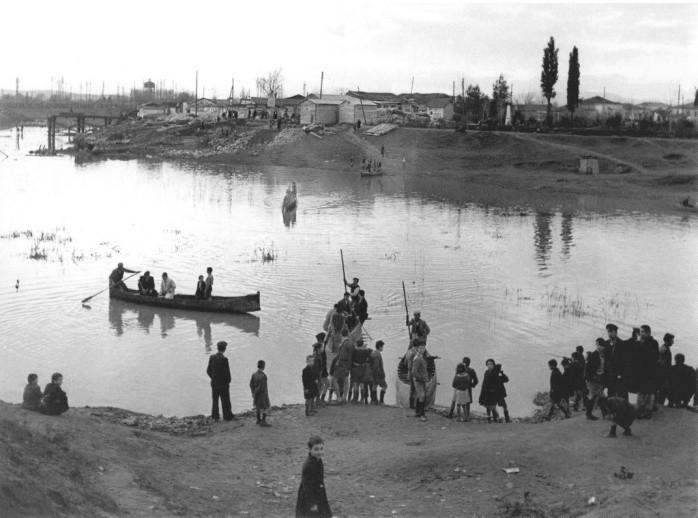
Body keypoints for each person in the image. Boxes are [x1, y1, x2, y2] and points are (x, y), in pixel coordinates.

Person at [295, 436, 332, 518]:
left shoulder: (318, 460)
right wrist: (312, 504)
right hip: (309, 498)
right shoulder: (309, 466)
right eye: (316, 449)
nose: (319, 452)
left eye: (321, 449)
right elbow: (307, 487)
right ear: (310, 449)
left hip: (319, 494)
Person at [207, 341, 234, 421]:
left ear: (217, 348)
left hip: (214, 383)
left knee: (215, 400)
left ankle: (215, 417)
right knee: (225, 400)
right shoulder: (224, 359)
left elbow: (208, 370)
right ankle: (227, 416)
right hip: (223, 384)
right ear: (224, 349)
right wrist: (228, 382)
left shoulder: (212, 357)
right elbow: (227, 374)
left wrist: (213, 378)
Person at [636, 325, 659, 419]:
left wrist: (640, 343)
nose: (641, 334)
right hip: (643, 371)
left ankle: (647, 410)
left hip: (650, 371)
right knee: (642, 391)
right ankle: (641, 409)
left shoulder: (653, 343)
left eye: (642, 332)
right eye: (640, 332)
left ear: (648, 333)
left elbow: (651, 356)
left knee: (649, 392)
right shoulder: (644, 342)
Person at [604, 323, 628, 400]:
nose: (609, 333)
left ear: (616, 332)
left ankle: (625, 410)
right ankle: (610, 410)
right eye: (608, 331)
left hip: (619, 373)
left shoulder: (622, 344)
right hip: (609, 373)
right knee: (610, 392)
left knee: (622, 392)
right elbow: (605, 358)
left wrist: (621, 373)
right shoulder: (606, 343)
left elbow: (625, 361)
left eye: (611, 331)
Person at [584, 339, 606, 420]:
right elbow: (587, 370)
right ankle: (589, 414)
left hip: (599, 379)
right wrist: (592, 378)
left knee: (600, 396)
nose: (599, 347)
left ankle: (590, 414)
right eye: (597, 345)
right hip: (592, 379)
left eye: (600, 345)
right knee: (596, 396)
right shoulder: (593, 355)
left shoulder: (602, 355)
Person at [350, 339, 372, 404]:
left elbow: (351, 358)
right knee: (362, 384)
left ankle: (355, 399)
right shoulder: (366, 351)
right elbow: (370, 355)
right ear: (362, 344)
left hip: (355, 368)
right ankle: (362, 399)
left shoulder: (354, 350)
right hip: (363, 368)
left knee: (355, 384)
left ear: (357, 344)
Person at [656, 333, 674, 407]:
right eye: (672, 340)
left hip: (663, 374)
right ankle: (659, 405)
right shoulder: (664, 349)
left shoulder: (664, 348)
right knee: (662, 391)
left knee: (663, 391)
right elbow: (661, 363)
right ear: (668, 340)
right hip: (663, 374)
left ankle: (660, 404)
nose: (673, 342)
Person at [250, 360, 271, 426]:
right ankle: (263, 421)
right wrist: (257, 391)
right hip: (262, 394)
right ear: (263, 366)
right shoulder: (263, 376)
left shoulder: (254, 374)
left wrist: (253, 392)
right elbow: (262, 387)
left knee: (257, 407)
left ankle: (258, 420)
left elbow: (251, 384)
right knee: (266, 407)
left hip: (256, 394)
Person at [412, 344, 429, 421]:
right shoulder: (417, 358)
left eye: (424, 348)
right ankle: (422, 414)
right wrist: (421, 378)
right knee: (422, 396)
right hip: (419, 380)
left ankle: (417, 412)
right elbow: (414, 372)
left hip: (421, 379)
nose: (423, 349)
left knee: (420, 396)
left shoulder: (420, 357)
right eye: (421, 348)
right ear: (418, 349)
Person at [370, 340, 387, 404]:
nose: (383, 348)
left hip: (373, 373)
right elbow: (377, 366)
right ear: (380, 347)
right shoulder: (377, 354)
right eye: (382, 346)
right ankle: (381, 401)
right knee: (385, 386)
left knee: (374, 385)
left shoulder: (373, 352)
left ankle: (374, 400)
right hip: (378, 374)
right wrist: (381, 374)